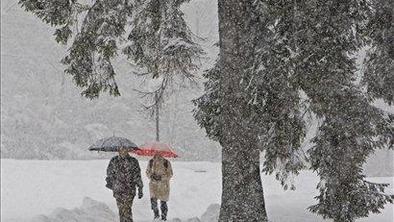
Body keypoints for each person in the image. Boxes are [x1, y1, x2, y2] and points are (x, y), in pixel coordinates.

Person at [106, 147, 143, 222]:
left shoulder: (133, 161)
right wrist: (111, 182)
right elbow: (109, 173)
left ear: (127, 150)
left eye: (124, 149)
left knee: (127, 209)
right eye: (121, 149)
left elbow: (137, 175)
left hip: (130, 189)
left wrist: (140, 187)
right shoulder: (114, 160)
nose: (123, 151)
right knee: (121, 210)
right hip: (118, 189)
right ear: (118, 150)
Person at [146, 154, 173, 221]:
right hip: (153, 185)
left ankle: (164, 218)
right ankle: (156, 216)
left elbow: (170, 174)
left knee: (163, 202)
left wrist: (161, 177)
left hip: (163, 186)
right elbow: (147, 172)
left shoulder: (166, 162)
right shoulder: (151, 162)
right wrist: (152, 176)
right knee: (153, 202)